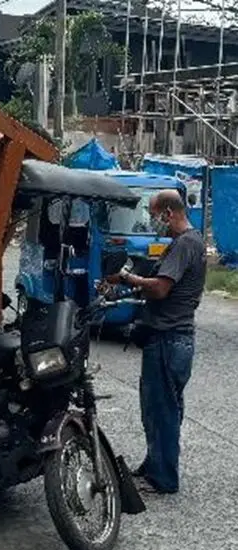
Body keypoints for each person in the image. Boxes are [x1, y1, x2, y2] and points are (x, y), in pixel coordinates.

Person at [107, 189, 206, 494]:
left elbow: (162, 289)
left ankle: (163, 478)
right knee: (159, 409)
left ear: (168, 213)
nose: (153, 222)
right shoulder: (189, 242)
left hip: (168, 339)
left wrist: (128, 279)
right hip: (172, 339)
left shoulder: (185, 244)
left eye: (154, 215)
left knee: (161, 412)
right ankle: (154, 466)